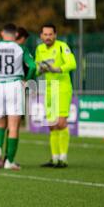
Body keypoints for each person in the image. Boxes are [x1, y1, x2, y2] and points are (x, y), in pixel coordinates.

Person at [0, 23, 36, 170]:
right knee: (13, 127)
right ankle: (9, 161)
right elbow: (32, 66)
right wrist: (27, 80)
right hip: (15, 85)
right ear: (15, 34)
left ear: (2, 33)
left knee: (1, 124)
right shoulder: (20, 48)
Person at [35, 24, 77, 168]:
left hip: (63, 88)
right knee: (52, 125)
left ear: (55, 35)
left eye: (50, 34)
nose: (48, 37)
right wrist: (39, 70)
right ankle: (54, 158)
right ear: (41, 36)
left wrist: (57, 69)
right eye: (45, 34)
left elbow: (72, 63)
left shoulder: (62, 46)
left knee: (61, 123)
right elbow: (36, 69)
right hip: (49, 89)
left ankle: (63, 159)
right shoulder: (39, 49)